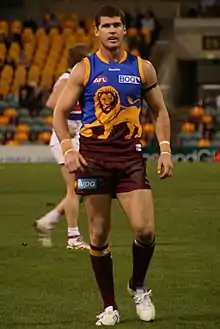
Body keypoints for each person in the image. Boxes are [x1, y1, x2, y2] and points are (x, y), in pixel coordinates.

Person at [53, 5, 173, 326]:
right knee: (99, 233)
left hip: (130, 159)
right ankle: (109, 305)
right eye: (105, 25)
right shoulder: (84, 69)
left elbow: (160, 111)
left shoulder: (142, 68)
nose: (112, 30)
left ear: (124, 30)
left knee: (145, 231)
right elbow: (58, 113)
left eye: (117, 25)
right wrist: (67, 148)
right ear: (96, 31)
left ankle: (138, 286)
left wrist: (164, 149)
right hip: (93, 162)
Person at [35, 45, 90, 250]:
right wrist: (66, 124)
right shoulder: (67, 79)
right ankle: (73, 238)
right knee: (75, 189)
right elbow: (52, 103)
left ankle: (48, 221)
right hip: (65, 139)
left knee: (85, 188)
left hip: (77, 138)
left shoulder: (79, 81)